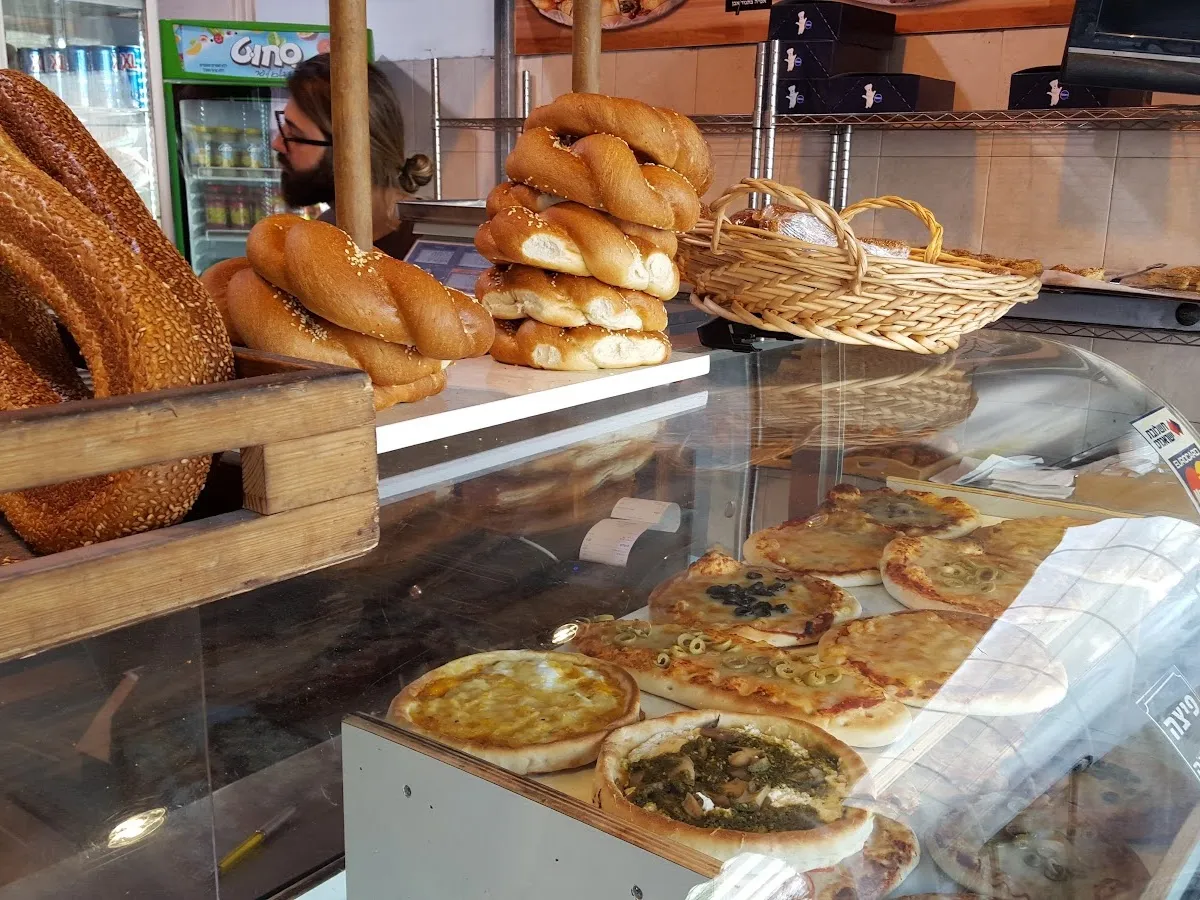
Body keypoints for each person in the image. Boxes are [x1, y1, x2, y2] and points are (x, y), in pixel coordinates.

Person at [272, 53, 433, 258]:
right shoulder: (325, 231)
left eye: (295, 134)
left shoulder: (432, 242)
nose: (277, 144)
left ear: (353, 152)